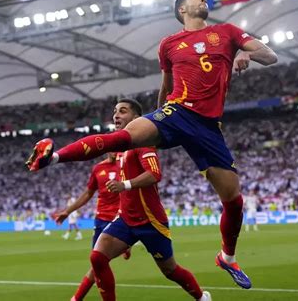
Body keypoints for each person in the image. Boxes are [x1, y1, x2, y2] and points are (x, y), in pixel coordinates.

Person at [26, 0, 277, 289]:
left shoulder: (227, 32)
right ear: (182, 9)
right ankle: (53, 157)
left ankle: (227, 256)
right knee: (124, 136)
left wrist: (246, 52)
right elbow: (166, 86)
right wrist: (155, 119)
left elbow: (270, 55)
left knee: (233, 200)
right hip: (177, 111)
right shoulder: (169, 44)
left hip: (208, 127)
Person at [88, 99, 211, 300]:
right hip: (126, 219)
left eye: (123, 111)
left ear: (136, 118)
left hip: (150, 221)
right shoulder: (121, 146)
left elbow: (154, 174)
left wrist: (125, 185)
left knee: (170, 270)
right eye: (115, 111)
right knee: (97, 257)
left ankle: (201, 297)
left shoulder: (143, 143)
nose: (116, 115)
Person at [53, 153, 130, 301]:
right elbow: (88, 193)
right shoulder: (98, 168)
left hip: (120, 219)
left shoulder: (125, 164)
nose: (115, 151)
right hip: (101, 219)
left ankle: (76, 298)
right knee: (97, 264)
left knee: (100, 262)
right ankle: (125, 247)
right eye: (112, 148)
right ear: (108, 150)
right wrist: (68, 211)